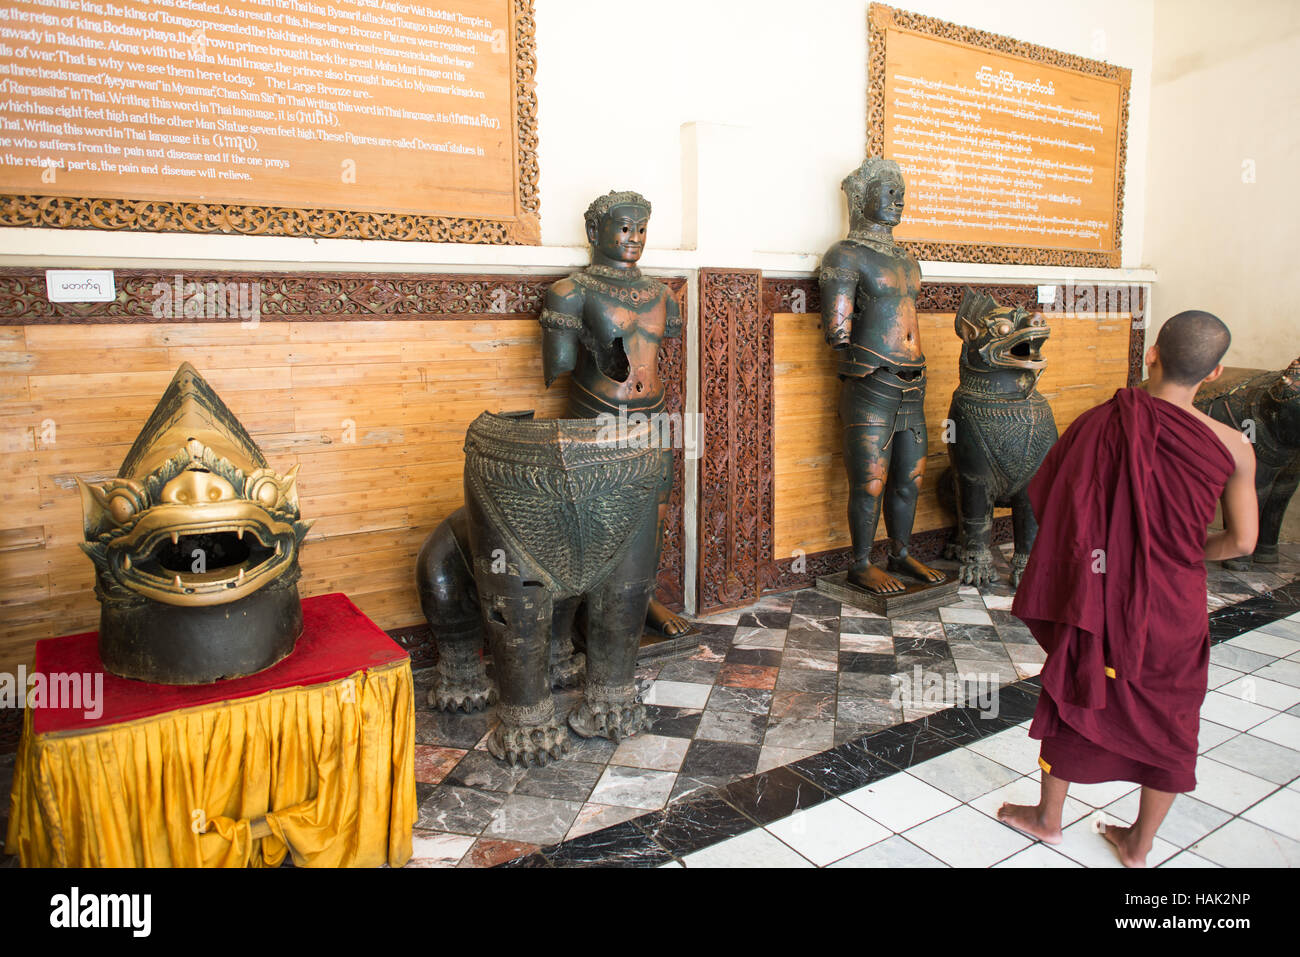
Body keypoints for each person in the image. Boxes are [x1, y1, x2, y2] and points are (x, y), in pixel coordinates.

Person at [997, 310, 1258, 867]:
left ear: (1153, 354)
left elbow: (1050, 505)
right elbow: (1242, 542)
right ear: (1215, 374)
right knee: (1173, 713)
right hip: (1175, 606)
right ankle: (1139, 844)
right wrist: (1183, 551)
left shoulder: (1096, 423)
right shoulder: (1234, 446)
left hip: (1100, 592)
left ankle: (1047, 820)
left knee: (1078, 683)